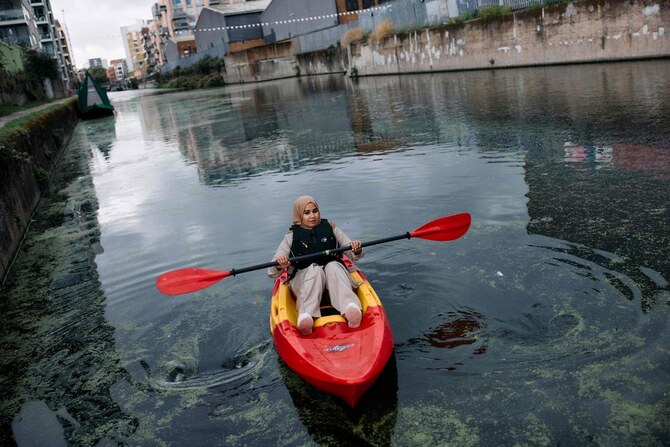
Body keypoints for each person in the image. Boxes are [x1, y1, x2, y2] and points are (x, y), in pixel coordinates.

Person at [268, 195, 364, 336]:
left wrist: (356, 249)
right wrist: (279, 264)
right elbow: (271, 272)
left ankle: (350, 307)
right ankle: (307, 315)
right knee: (316, 270)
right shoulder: (291, 237)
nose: (312, 216)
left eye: (315, 211)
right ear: (299, 215)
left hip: (334, 280)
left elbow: (353, 254)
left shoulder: (330, 227)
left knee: (333, 266)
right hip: (307, 282)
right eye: (307, 213)